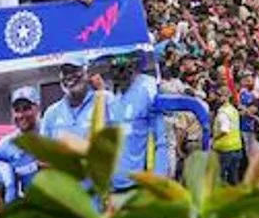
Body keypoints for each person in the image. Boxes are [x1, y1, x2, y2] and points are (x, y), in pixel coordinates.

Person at [108, 56, 169, 191]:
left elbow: (162, 139)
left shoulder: (147, 90)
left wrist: (159, 180)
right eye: (114, 69)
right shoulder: (110, 99)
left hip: (140, 184)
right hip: (113, 186)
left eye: (123, 68)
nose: (119, 74)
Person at [40, 62, 115, 143]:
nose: (69, 76)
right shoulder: (51, 113)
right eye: (65, 73)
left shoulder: (107, 100)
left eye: (74, 70)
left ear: (87, 73)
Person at [0, 86, 42, 193]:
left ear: (38, 108)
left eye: (26, 108)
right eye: (17, 110)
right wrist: (10, 171)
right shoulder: (8, 142)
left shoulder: (50, 132)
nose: (21, 115)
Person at [212, 92, 244, 185]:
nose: (217, 98)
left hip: (225, 149)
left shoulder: (223, 112)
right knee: (233, 177)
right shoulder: (233, 109)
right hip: (237, 147)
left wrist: (214, 138)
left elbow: (224, 130)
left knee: (221, 176)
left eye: (219, 95)